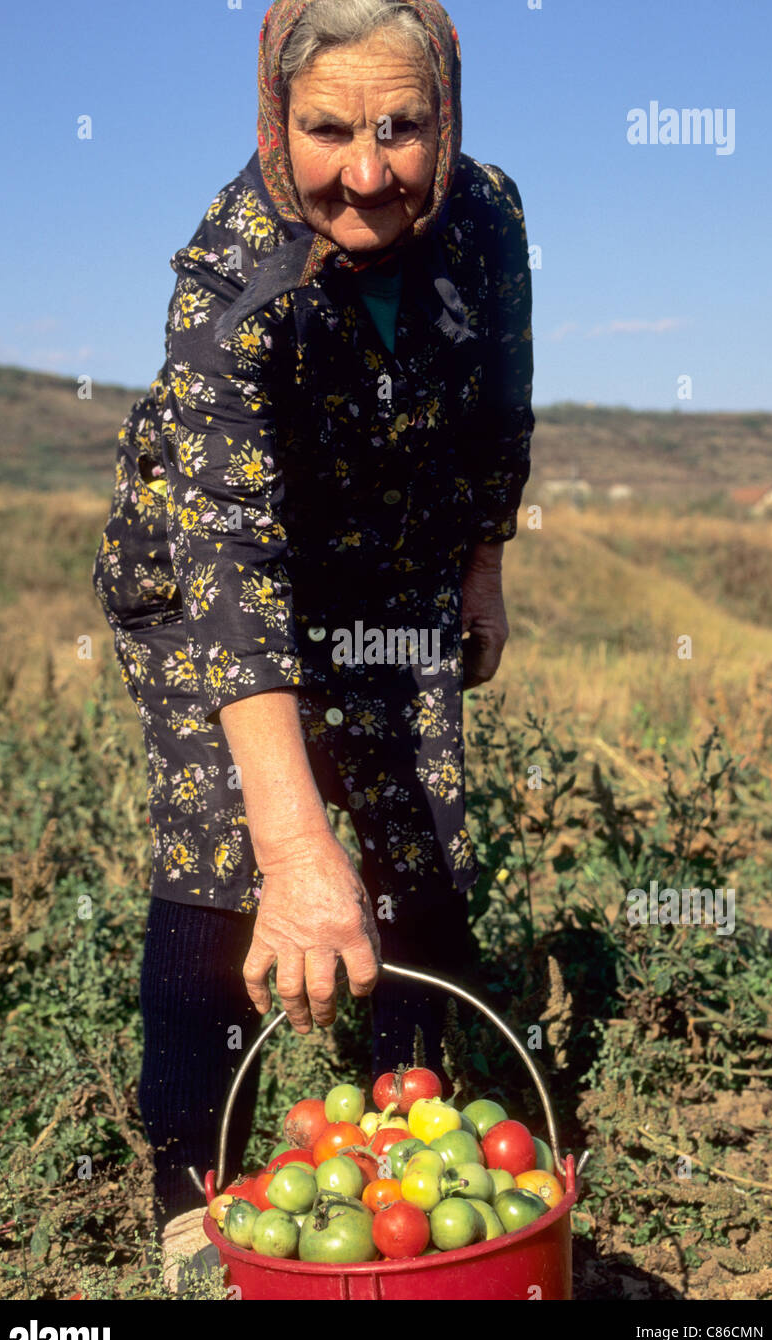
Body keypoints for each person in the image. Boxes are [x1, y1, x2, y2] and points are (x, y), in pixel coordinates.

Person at [93, 0, 534, 1234]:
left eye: (403, 126)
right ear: (271, 119)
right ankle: (197, 1183)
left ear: (448, 116)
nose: (367, 170)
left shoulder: (488, 217)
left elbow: (503, 398)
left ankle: (412, 1132)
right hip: (206, 580)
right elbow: (232, 569)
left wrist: (480, 566)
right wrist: (295, 849)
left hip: (388, 563)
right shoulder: (229, 279)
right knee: (226, 847)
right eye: (327, 128)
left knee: (417, 830)